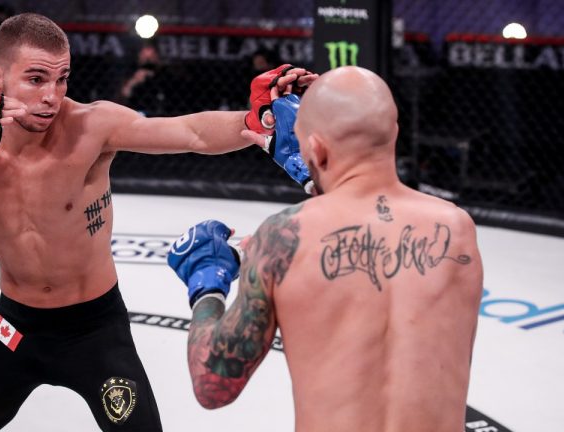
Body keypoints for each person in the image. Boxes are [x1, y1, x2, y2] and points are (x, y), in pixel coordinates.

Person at [0, 13, 316, 432]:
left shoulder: (90, 125)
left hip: (95, 327)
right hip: (15, 325)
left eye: (62, 79)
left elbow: (189, 133)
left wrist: (251, 123)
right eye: (36, 79)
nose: (52, 96)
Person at [168, 66, 484, 431]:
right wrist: (312, 169)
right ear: (394, 132)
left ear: (315, 148)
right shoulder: (456, 228)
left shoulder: (282, 238)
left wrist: (207, 282)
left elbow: (213, 384)